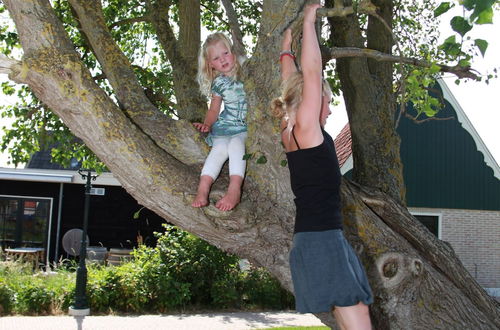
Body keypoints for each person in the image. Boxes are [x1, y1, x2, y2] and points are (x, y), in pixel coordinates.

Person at [271, 4, 373, 329]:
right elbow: (312, 73)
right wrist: (311, 19)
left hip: (320, 238)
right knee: (359, 322)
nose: (328, 110)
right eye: (327, 102)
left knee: (354, 319)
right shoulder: (305, 130)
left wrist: (286, 50)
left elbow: (294, 84)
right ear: (312, 103)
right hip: (322, 240)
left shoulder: (291, 130)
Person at [192, 33, 248, 211]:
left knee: (236, 144)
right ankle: (203, 188)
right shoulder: (219, 83)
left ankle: (234, 188)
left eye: (225, 53)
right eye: (216, 58)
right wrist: (207, 124)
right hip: (224, 126)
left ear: (232, 51)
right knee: (219, 149)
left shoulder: (247, 72)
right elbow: (214, 109)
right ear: (210, 64)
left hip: (245, 127)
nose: (222, 60)